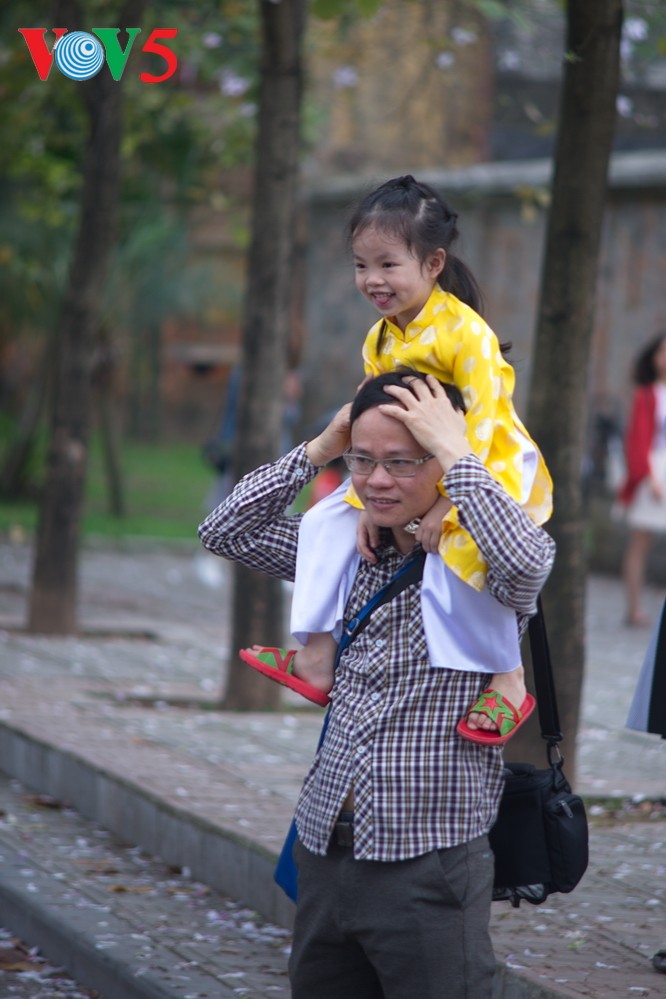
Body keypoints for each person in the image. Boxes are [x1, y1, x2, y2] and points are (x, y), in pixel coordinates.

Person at [198, 370, 555, 998]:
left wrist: (460, 455)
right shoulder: (342, 554)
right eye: (364, 460)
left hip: (428, 858)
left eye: (401, 462)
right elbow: (226, 530)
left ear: (442, 459)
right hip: (326, 848)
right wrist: (320, 448)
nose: (378, 480)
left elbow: (530, 560)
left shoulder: (483, 568)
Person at [241, 174, 553, 744]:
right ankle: (315, 654)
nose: (372, 280)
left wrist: (452, 507)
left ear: (433, 263)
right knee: (324, 521)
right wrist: (362, 500)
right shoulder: (379, 340)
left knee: (465, 550)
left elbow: (484, 425)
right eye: (362, 266)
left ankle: (507, 677)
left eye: (388, 264)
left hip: (484, 468)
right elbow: (373, 425)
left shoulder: (468, 336)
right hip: (412, 471)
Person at [617, 331, 666, 627]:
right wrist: (649, 478)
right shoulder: (647, 395)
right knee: (641, 542)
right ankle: (634, 607)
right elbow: (639, 440)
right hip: (654, 469)